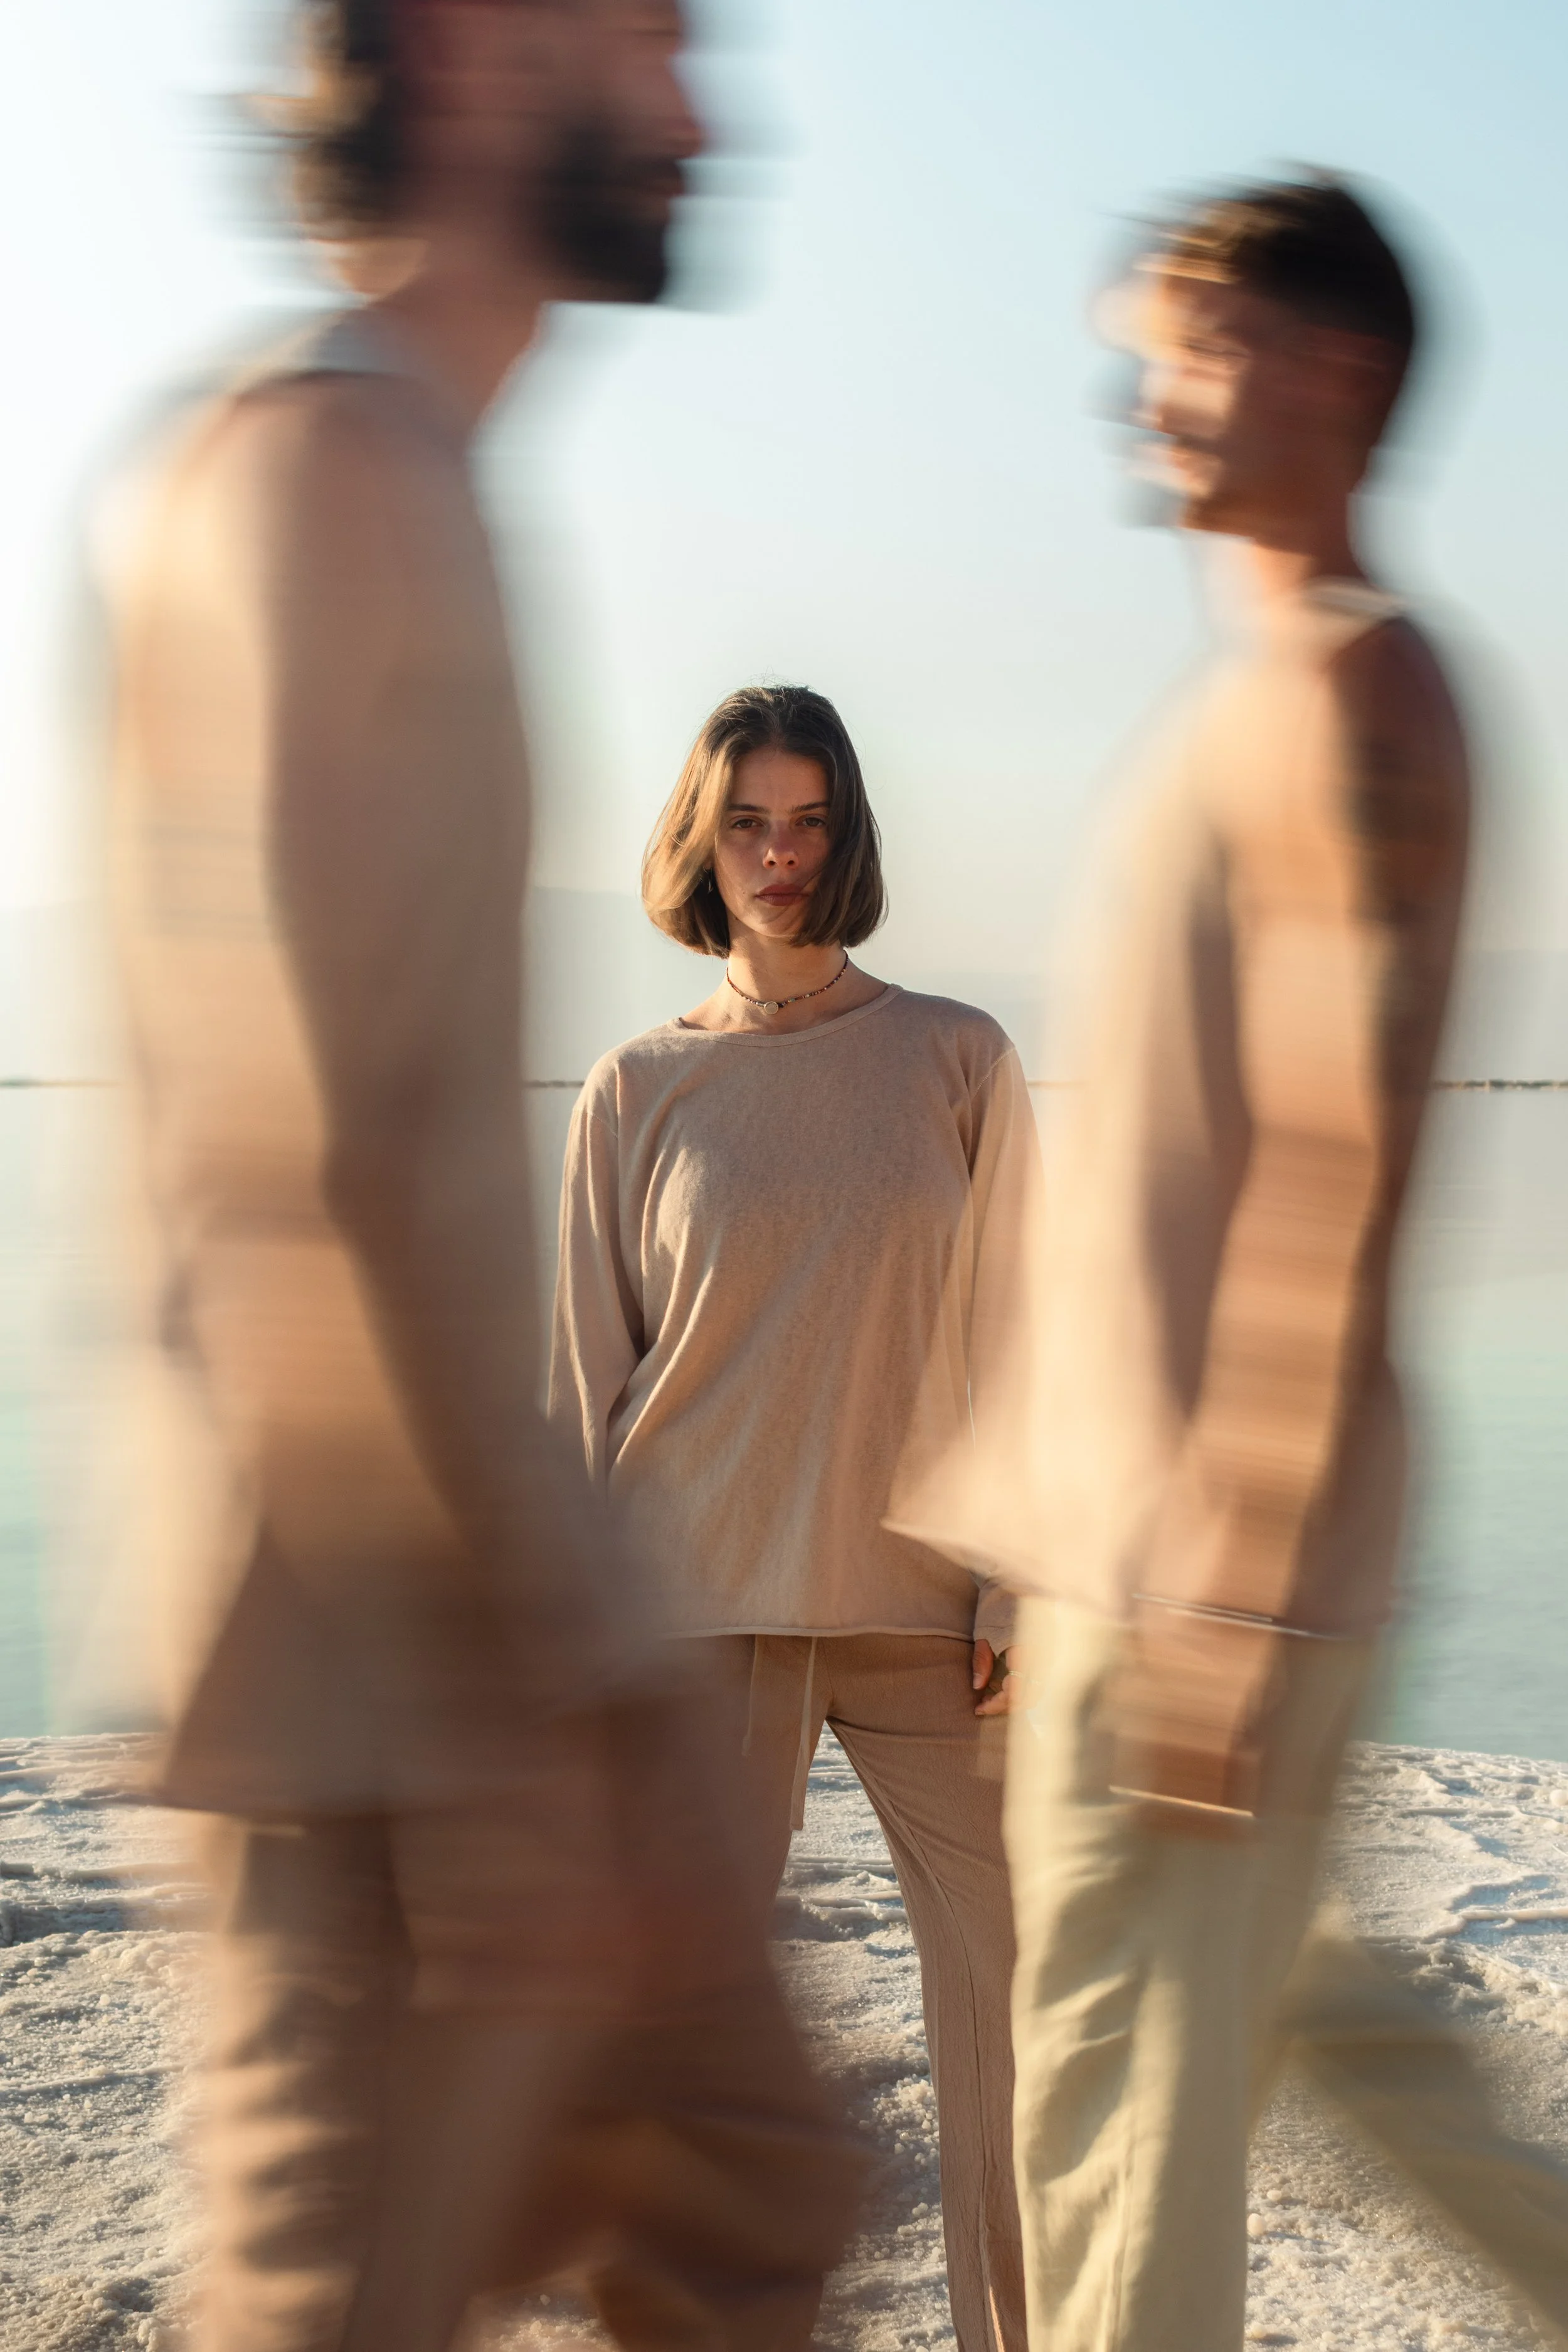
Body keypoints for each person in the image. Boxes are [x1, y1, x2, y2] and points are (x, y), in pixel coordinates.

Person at [100, 6, 859, 2348]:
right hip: (380, 1708)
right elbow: (289, 1168)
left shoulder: (414, 473)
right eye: (645, 45)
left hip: (520, 1656)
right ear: (470, 47)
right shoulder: (312, 474)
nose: (699, 115)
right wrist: (517, 1728)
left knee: (757, 2197)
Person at [899, 177, 1568, 2351]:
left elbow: (1337, 1174)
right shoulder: (1264, 693)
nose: (1140, 398)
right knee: (1341, 2055)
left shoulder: (1359, 699)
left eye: (1184, 345)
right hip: (1132, 1552)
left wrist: (1241, 1591)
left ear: (1332, 370)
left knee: (1106, 2154)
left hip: (1195, 1570)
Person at [550, 682, 1037, 2352]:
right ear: (701, 840)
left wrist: (1021, 1583)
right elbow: (585, 1389)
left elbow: (1025, 1336)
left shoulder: (954, 1054)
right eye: (747, 819)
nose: (777, 851)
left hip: (927, 1615)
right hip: (688, 1613)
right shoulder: (631, 1090)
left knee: (1020, 2001)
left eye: (809, 817)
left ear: (849, 837)